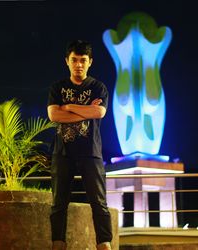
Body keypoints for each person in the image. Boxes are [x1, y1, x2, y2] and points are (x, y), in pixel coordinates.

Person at [47, 40, 112, 250]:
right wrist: (83, 110)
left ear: (90, 62)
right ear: (67, 61)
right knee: (58, 203)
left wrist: (68, 107)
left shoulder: (98, 87)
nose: (79, 65)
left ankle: (104, 245)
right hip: (62, 152)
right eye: (74, 60)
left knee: (99, 202)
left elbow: (99, 112)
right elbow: (54, 115)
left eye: (83, 60)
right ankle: (58, 245)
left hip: (90, 152)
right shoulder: (57, 87)